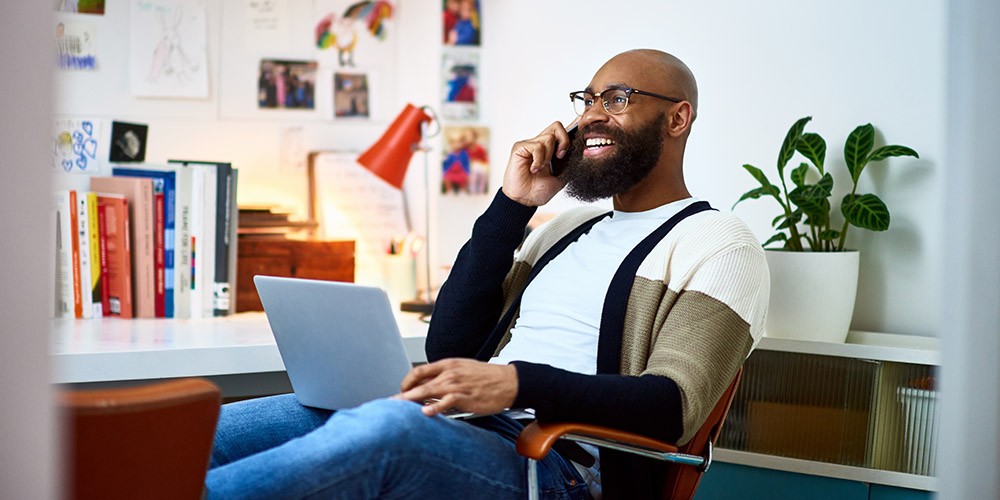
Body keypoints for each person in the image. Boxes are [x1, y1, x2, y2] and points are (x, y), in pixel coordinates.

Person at [205, 49, 769, 499]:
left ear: (677, 117)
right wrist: (512, 205)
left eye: (618, 99)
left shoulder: (719, 244)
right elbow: (450, 341)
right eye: (588, 99)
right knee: (215, 428)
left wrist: (516, 383)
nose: (592, 114)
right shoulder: (564, 228)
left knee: (385, 434)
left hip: (556, 466)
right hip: (463, 427)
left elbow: (671, 406)